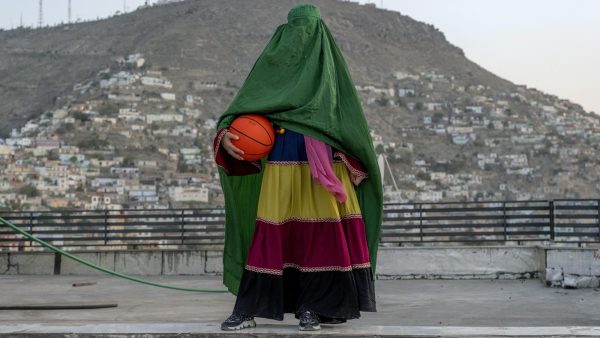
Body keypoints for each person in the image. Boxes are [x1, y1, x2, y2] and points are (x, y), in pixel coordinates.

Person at [213, 4, 383, 331]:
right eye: (295, 29)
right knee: (271, 234)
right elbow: (241, 109)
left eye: (307, 29)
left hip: (327, 169)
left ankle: (313, 307)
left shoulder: (330, 72)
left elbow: (349, 125)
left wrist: (353, 159)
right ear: (283, 33)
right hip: (280, 164)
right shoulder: (272, 66)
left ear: (320, 35)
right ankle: (247, 307)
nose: (301, 37)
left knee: (321, 237)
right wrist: (227, 136)